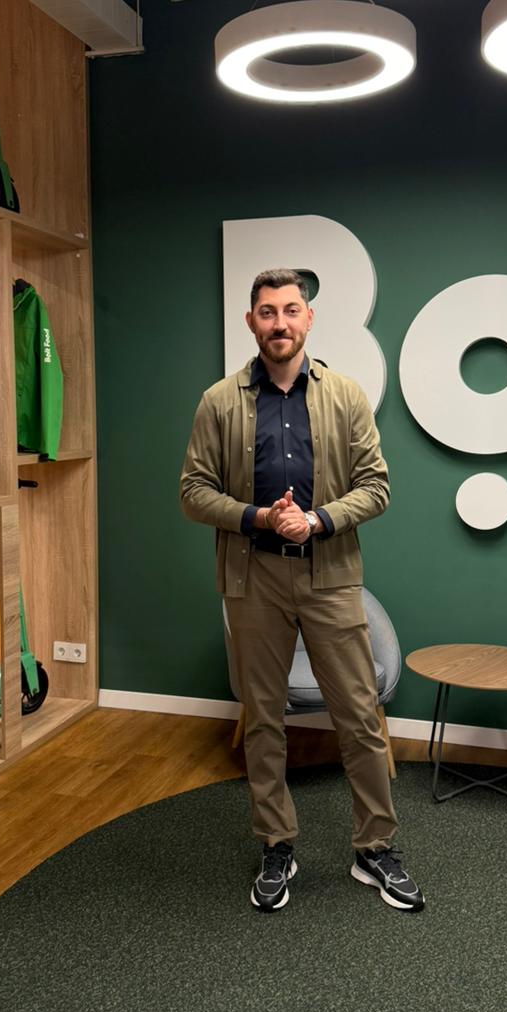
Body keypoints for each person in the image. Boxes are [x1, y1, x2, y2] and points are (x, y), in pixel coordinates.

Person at [180, 268, 424, 913]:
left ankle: (375, 849)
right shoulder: (218, 401)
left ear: (309, 318)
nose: (279, 323)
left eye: (291, 310)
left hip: (329, 574)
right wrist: (259, 517)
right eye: (267, 312)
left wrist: (316, 520)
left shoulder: (344, 395)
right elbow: (193, 492)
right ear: (251, 322)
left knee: (360, 717)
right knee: (263, 718)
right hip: (252, 577)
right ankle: (276, 844)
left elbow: (376, 486)